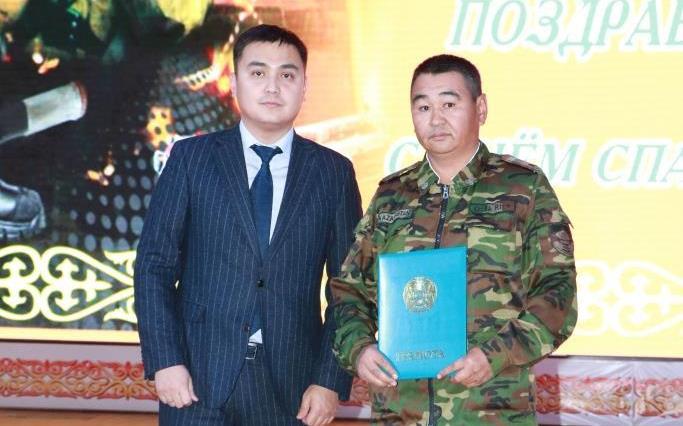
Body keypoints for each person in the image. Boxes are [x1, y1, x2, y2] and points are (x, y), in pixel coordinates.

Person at [134, 24, 361, 426]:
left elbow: (348, 287)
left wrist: (329, 380)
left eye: (287, 75)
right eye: (258, 73)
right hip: (196, 379)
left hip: (293, 389)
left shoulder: (333, 173)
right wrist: (165, 359)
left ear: (304, 87)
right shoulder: (190, 158)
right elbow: (154, 266)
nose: (273, 86)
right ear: (235, 82)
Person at [332, 54, 577, 425]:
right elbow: (350, 289)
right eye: (423, 107)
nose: (436, 119)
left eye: (449, 104)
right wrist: (359, 348)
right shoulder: (391, 195)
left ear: (481, 108)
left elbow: (557, 290)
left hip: (491, 410)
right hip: (400, 411)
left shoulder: (523, 188)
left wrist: (496, 354)